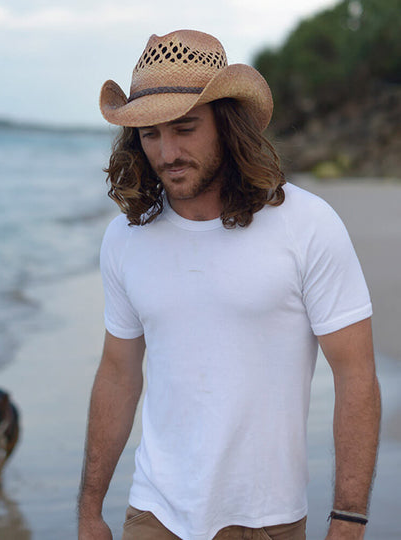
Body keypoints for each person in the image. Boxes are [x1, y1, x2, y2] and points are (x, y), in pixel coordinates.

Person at [78, 29, 381, 540]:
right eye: (150, 134)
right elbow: (118, 372)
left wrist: (348, 520)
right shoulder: (125, 239)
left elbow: (357, 375)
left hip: (268, 521)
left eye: (185, 128)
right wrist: (89, 510)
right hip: (152, 515)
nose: (167, 151)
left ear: (227, 123)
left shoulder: (306, 224)